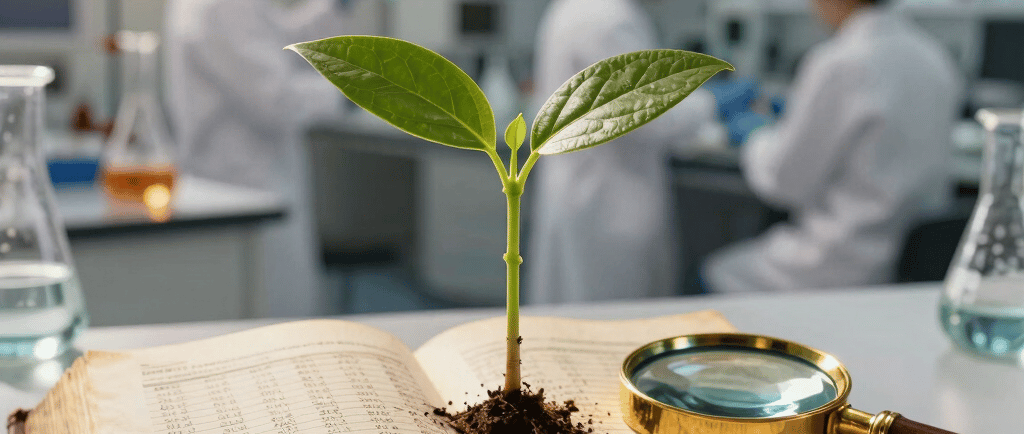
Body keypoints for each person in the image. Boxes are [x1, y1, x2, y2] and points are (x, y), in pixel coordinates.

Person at [703, 0, 962, 293]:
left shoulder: (840, 61)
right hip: (910, 259)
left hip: (837, 260)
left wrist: (756, 136)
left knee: (716, 272)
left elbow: (784, 181)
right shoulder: (933, 56)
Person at [526, 0, 717, 304]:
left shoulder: (570, 9)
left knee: (573, 317)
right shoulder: (609, 19)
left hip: (580, 191)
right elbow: (647, 114)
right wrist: (711, 104)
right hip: (610, 205)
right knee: (616, 319)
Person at [165, 0, 346, 316]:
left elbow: (279, 43)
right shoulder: (223, 6)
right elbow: (277, 100)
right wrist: (361, 89)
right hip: (246, 185)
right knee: (267, 310)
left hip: (239, 179)